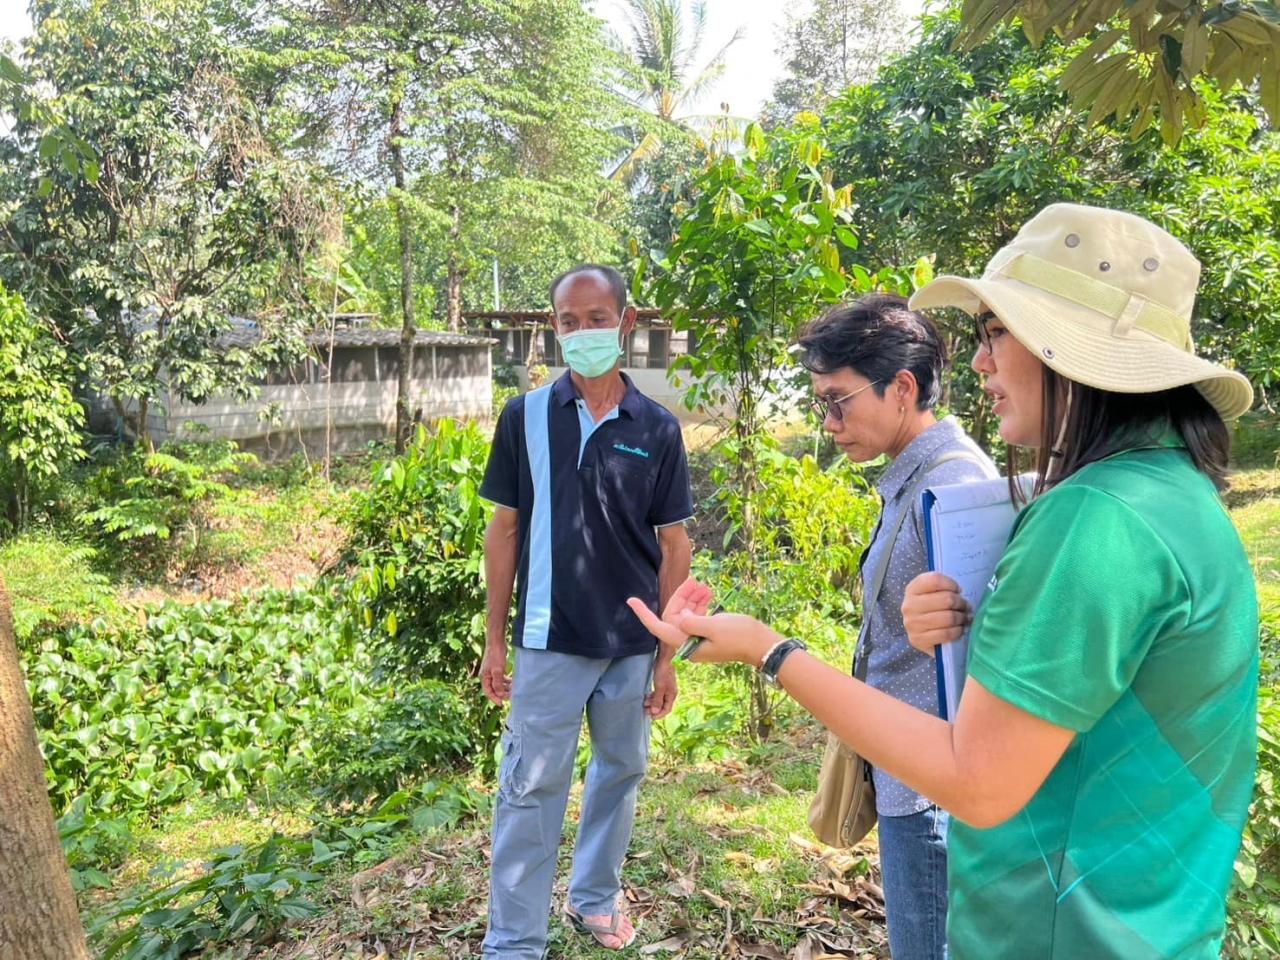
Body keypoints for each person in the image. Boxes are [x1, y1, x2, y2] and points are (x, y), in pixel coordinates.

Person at [628, 204, 1257, 959]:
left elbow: (980, 779)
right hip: (1148, 921)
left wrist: (770, 650)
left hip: (1059, 931)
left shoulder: (1093, 523)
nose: (981, 364)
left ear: (1072, 347)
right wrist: (966, 623)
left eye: (997, 333)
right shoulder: (1171, 494)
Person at [479, 263, 694, 959]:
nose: (584, 333)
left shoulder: (657, 428)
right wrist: (494, 641)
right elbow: (504, 530)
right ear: (554, 330)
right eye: (569, 323)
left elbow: (673, 546)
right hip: (548, 637)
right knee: (530, 785)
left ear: (626, 324)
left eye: (597, 319)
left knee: (619, 772)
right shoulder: (526, 417)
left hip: (631, 645)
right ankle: (514, 941)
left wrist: (667, 653)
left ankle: (594, 899)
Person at [795, 294, 995, 960]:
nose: (829, 421)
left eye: (838, 400)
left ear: (902, 388)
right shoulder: (916, 478)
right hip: (909, 774)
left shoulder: (954, 485)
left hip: (931, 790)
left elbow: (981, 656)